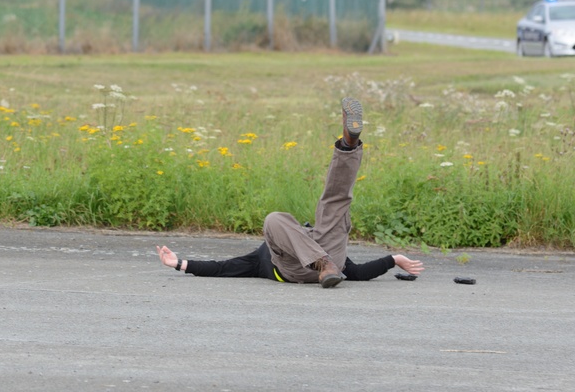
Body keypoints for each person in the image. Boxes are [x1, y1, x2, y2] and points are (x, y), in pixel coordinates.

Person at [156, 98, 424, 288]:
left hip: (325, 266)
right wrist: (178, 263)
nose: (302, 229)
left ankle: (348, 145)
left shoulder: (296, 249)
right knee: (314, 209)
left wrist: (393, 259)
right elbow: (221, 267)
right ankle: (322, 262)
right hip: (306, 266)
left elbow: (359, 273)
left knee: (320, 206)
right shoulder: (265, 258)